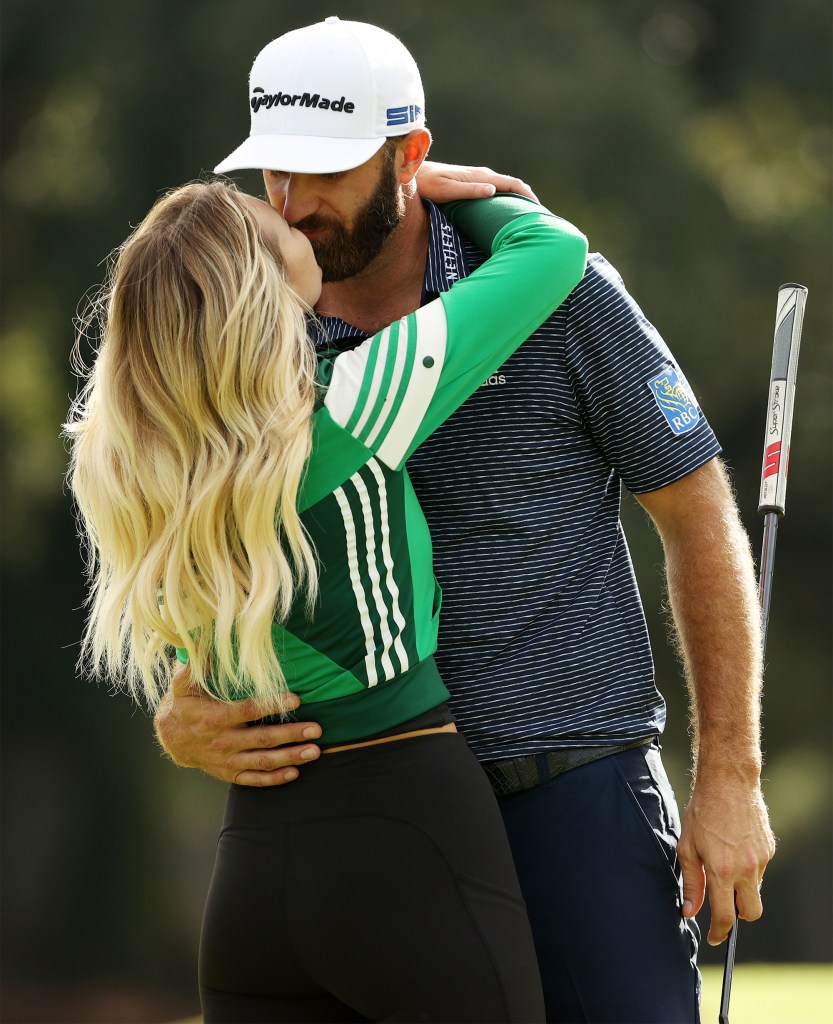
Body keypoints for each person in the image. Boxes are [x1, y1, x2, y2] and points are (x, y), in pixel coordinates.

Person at [155, 17, 777, 1023]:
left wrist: (729, 774)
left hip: (570, 794)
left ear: (409, 156)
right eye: (274, 172)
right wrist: (183, 694)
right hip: (358, 810)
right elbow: (191, 534)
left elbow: (697, 511)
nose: (291, 203)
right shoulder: (244, 331)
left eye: (327, 173)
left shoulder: (568, 301)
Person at [65, 169, 588, 1021]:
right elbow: (551, 249)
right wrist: (421, 186)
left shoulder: (120, 467)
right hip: (406, 832)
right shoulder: (353, 406)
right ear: (261, 287)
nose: (293, 220)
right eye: (274, 230)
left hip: (249, 874)